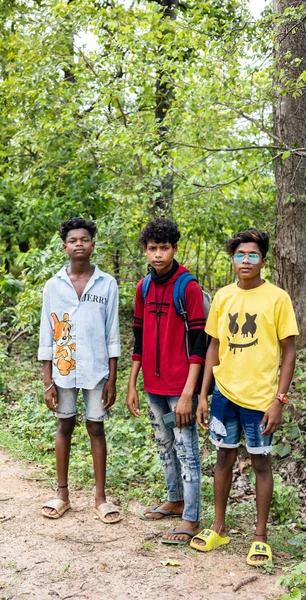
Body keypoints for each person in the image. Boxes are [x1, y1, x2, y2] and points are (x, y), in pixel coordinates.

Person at [191, 228, 298, 565]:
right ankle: (219, 528)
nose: (247, 260)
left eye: (253, 255)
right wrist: (204, 394)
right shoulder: (223, 297)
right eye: (240, 255)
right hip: (224, 396)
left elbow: (289, 351)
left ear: (263, 260)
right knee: (222, 459)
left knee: (260, 463)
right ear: (233, 260)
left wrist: (278, 400)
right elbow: (214, 346)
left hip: (260, 400)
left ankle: (260, 537)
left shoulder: (277, 298)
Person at [126, 218, 207, 544]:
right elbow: (138, 337)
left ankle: (191, 517)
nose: (158, 255)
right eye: (152, 248)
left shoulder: (187, 287)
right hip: (153, 387)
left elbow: (200, 344)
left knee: (186, 449)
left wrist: (190, 393)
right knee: (164, 447)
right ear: (145, 251)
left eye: (164, 248)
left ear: (174, 249)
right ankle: (174, 500)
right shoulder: (143, 288)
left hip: (180, 389)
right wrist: (132, 383)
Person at [38, 217, 122, 523]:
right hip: (63, 370)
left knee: (96, 428)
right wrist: (47, 380)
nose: (78, 245)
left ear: (93, 245)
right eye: (72, 241)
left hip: (97, 370)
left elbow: (112, 333)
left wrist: (112, 377)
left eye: (84, 240)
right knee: (65, 425)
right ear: (64, 247)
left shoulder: (106, 283)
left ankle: (100, 498)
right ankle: (62, 495)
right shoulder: (53, 286)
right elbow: (46, 334)